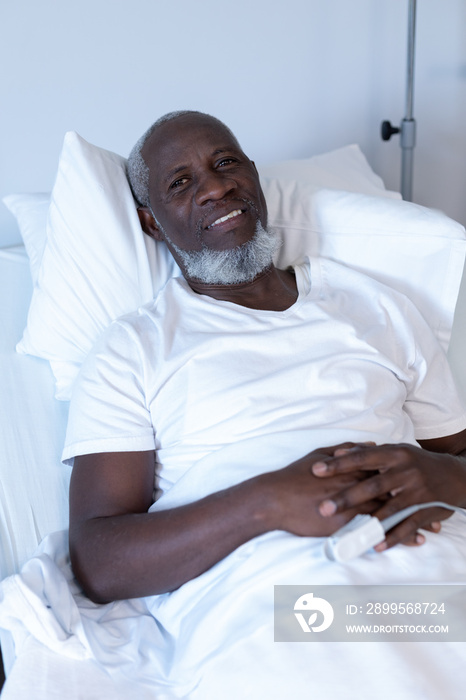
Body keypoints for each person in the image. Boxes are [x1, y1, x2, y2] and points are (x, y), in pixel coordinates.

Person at [65, 110, 466, 606]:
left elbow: (453, 450)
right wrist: (264, 503)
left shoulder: (375, 305)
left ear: (253, 177)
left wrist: (448, 478)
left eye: (226, 163)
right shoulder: (132, 349)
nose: (215, 188)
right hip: (268, 602)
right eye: (181, 182)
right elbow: (97, 563)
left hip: (432, 578)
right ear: (151, 222)